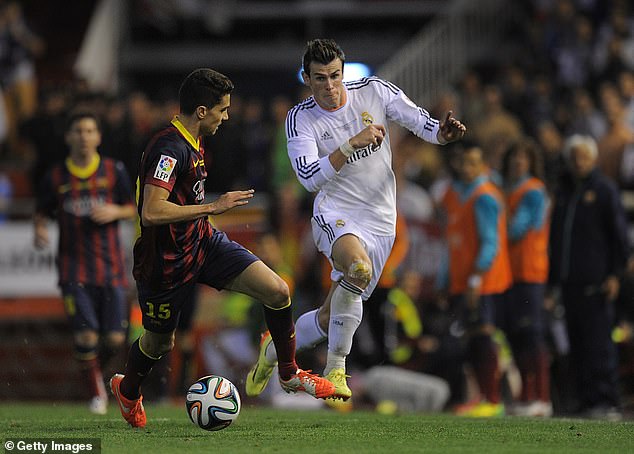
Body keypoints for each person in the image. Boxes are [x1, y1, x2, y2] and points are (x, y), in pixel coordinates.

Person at [110, 68, 335, 429]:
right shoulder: (168, 148)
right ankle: (129, 390)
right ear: (201, 111)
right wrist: (213, 207)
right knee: (158, 344)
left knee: (277, 290)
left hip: (203, 243)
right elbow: (152, 211)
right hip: (164, 262)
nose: (226, 117)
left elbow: (186, 199)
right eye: (222, 110)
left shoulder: (195, 142)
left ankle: (289, 372)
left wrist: (209, 222)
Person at [246, 38, 466, 401]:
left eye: (335, 76)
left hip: (381, 221)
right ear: (307, 78)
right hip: (336, 213)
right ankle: (337, 367)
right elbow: (307, 177)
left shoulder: (374, 91)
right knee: (358, 270)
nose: (330, 86)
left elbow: (421, 122)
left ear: (343, 72)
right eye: (320, 78)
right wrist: (350, 145)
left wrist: (442, 134)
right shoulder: (301, 118)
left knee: (327, 316)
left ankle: (273, 349)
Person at [33, 111, 136, 415]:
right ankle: (95, 394)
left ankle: (89, 372)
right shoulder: (55, 176)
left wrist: (114, 212)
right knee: (86, 335)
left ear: (98, 137)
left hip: (112, 268)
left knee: (116, 338)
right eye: (78, 130)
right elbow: (41, 211)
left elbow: (132, 207)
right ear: (68, 137)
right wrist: (39, 228)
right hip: (73, 269)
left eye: (90, 130)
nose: (84, 136)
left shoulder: (113, 170)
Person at [548, 134, 629, 420]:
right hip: (570, 282)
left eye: (583, 157)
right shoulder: (564, 192)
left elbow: (619, 236)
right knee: (577, 344)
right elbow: (555, 239)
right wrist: (553, 281)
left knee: (599, 344)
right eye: (574, 158)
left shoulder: (604, 190)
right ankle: (584, 399)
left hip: (596, 281)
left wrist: (615, 274)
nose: (579, 163)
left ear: (593, 159)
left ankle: (606, 400)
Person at [441, 144, 512, 417]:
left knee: (483, 337)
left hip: (482, 282)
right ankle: (481, 397)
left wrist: (475, 280)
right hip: (463, 280)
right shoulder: (460, 195)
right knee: (472, 339)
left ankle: (492, 400)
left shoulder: (484, 197)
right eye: (464, 162)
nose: (467, 168)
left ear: (482, 166)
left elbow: (490, 243)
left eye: (473, 163)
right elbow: (453, 243)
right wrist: (444, 279)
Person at [500, 139, 552, 417]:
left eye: (524, 157)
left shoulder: (533, 191)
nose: (518, 162)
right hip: (512, 273)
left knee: (532, 334)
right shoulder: (510, 192)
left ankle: (541, 396)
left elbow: (516, 230)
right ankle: (527, 395)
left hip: (530, 271)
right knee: (517, 335)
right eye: (515, 157)